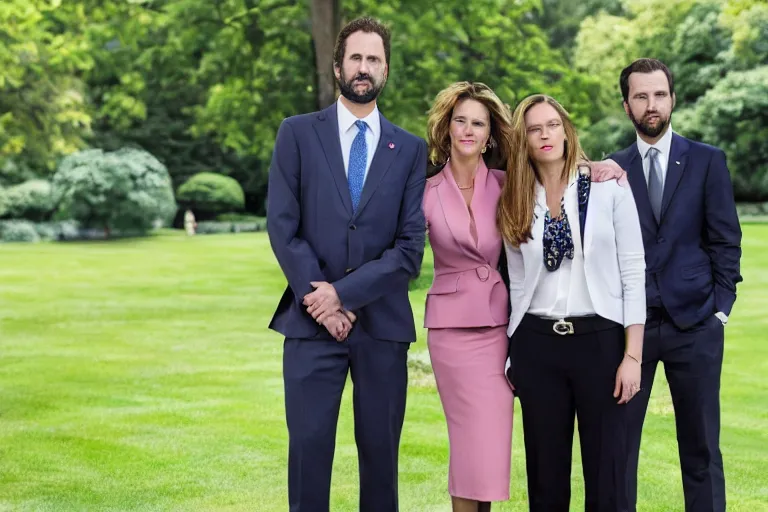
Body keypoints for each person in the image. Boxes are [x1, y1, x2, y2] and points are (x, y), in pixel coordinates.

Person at [265, 16, 427, 512]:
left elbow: (409, 249)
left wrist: (346, 295)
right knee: (309, 452)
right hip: (311, 324)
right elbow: (282, 225)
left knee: (381, 460)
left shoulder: (411, 149)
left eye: (373, 59)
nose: (364, 67)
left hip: (382, 326)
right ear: (337, 67)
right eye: (355, 58)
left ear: (386, 69)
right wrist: (323, 301)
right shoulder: (296, 134)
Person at [499, 94, 646, 512]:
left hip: (599, 341)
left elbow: (634, 272)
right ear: (523, 140)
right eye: (533, 129)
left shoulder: (607, 187)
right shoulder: (516, 198)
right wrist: (514, 351)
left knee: (608, 480)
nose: (545, 135)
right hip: (537, 345)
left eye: (552, 125)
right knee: (545, 480)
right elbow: (518, 282)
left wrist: (632, 356)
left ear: (567, 129)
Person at [608, 58, 742, 512]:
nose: (652, 105)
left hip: (696, 325)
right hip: (631, 332)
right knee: (617, 451)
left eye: (659, 94)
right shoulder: (612, 170)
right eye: (641, 96)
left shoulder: (708, 161)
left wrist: (720, 308)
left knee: (702, 448)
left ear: (673, 99)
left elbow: (726, 240)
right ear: (627, 105)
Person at [422, 81, 516, 512]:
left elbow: (560, 169)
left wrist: (600, 166)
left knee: (492, 446)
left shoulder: (507, 182)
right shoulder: (424, 191)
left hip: (498, 328)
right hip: (450, 332)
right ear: (447, 128)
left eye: (478, 123)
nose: (468, 129)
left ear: (490, 134)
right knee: (466, 441)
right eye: (460, 120)